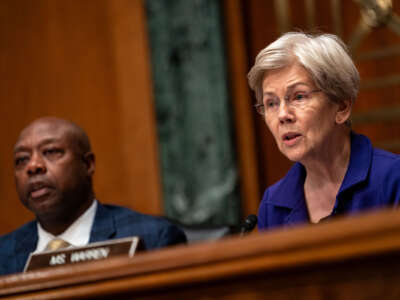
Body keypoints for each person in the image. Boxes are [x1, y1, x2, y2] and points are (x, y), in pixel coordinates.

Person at [247, 32, 400, 230]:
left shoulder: (393, 179)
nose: (283, 115)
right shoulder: (273, 205)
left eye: (299, 97)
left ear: (341, 107)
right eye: (271, 103)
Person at [0, 117, 186, 276]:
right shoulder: (3, 254)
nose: (33, 166)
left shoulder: (153, 239)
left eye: (50, 152)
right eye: (22, 159)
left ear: (88, 165)